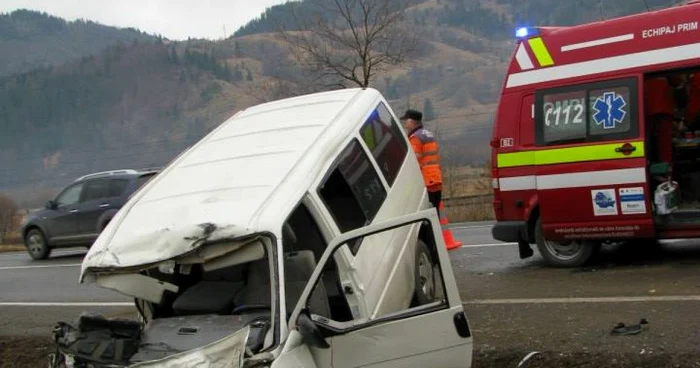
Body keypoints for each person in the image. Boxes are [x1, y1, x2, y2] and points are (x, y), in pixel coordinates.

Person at [400, 109, 443, 210]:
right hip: (435, 177)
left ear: (411, 121)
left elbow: (414, 160)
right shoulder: (428, 134)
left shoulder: (415, 137)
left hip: (426, 179)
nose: (404, 123)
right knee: (434, 210)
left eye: (405, 120)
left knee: (427, 212)